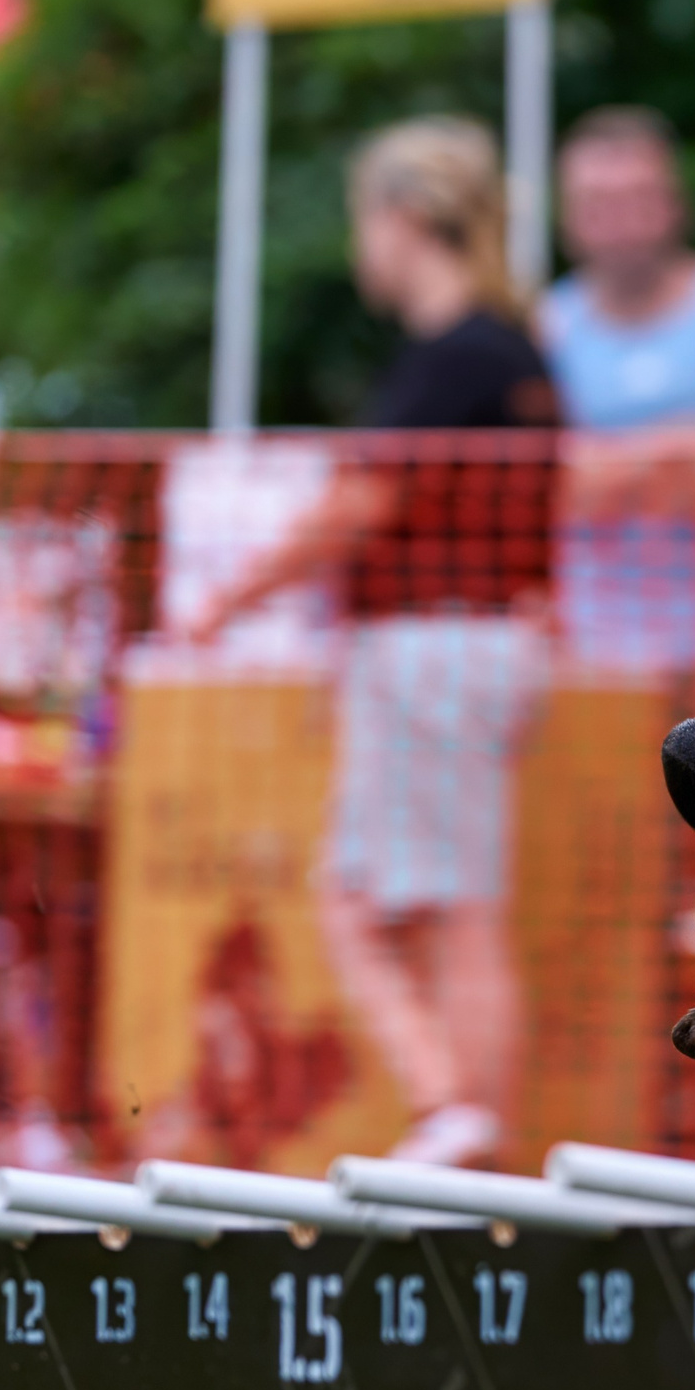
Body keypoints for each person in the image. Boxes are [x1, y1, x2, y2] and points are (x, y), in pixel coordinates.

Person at [187, 116, 560, 1167]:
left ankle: (459, 1123)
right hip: (465, 648)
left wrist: (229, 596)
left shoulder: (460, 355)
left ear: (403, 220)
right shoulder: (508, 352)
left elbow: (358, 503)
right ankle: (453, 1114)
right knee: (372, 900)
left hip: (438, 651)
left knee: (450, 912)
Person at [538, 107, 695, 680]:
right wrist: (686, 445)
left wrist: (607, 464)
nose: (620, 221)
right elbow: (546, 487)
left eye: (637, 197)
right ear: (568, 218)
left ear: (675, 203)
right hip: (594, 645)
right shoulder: (547, 323)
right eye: (599, 203)